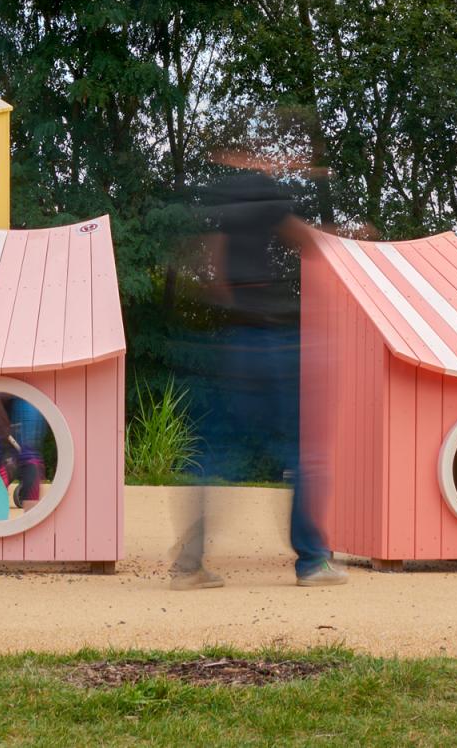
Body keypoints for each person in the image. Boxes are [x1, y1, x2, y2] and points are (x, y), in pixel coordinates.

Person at [171, 117, 345, 590]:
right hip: (273, 341)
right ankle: (311, 561)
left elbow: (212, 273)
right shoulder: (262, 194)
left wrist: (234, 306)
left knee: (219, 451)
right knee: (303, 453)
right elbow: (307, 241)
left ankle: (189, 564)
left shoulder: (225, 205)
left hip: (236, 341)